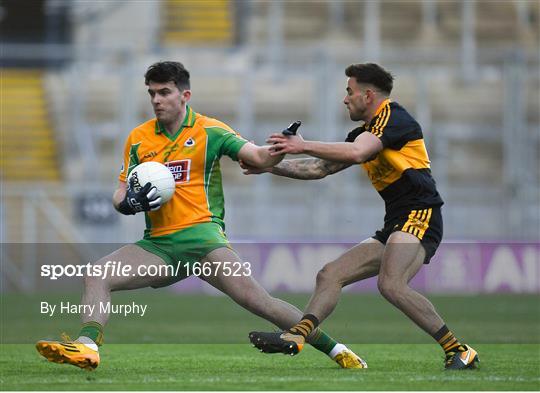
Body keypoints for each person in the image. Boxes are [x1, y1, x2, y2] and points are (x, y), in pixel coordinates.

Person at [35, 61, 366, 370]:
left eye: (164, 92)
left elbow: (258, 158)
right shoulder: (139, 138)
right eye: (152, 92)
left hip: (203, 239)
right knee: (98, 274)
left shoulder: (210, 131)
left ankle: (338, 350)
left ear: (184, 95)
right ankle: (87, 347)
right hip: (159, 246)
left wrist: (283, 148)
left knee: (259, 302)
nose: (156, 99)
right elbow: (121, 191)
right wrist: (126, 204)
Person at [245, 63, 479, 370]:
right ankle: (298, 335)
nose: (345, 99)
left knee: (391, 284)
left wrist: (302, 145)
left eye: (349, 91)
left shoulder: (395, 118)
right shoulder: (365, 133)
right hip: (397, 221)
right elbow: (319, 169)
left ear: (368, 95)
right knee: (330, 274)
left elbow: (356, 153)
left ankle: (459, 350)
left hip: (420, 213)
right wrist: (269, 166)